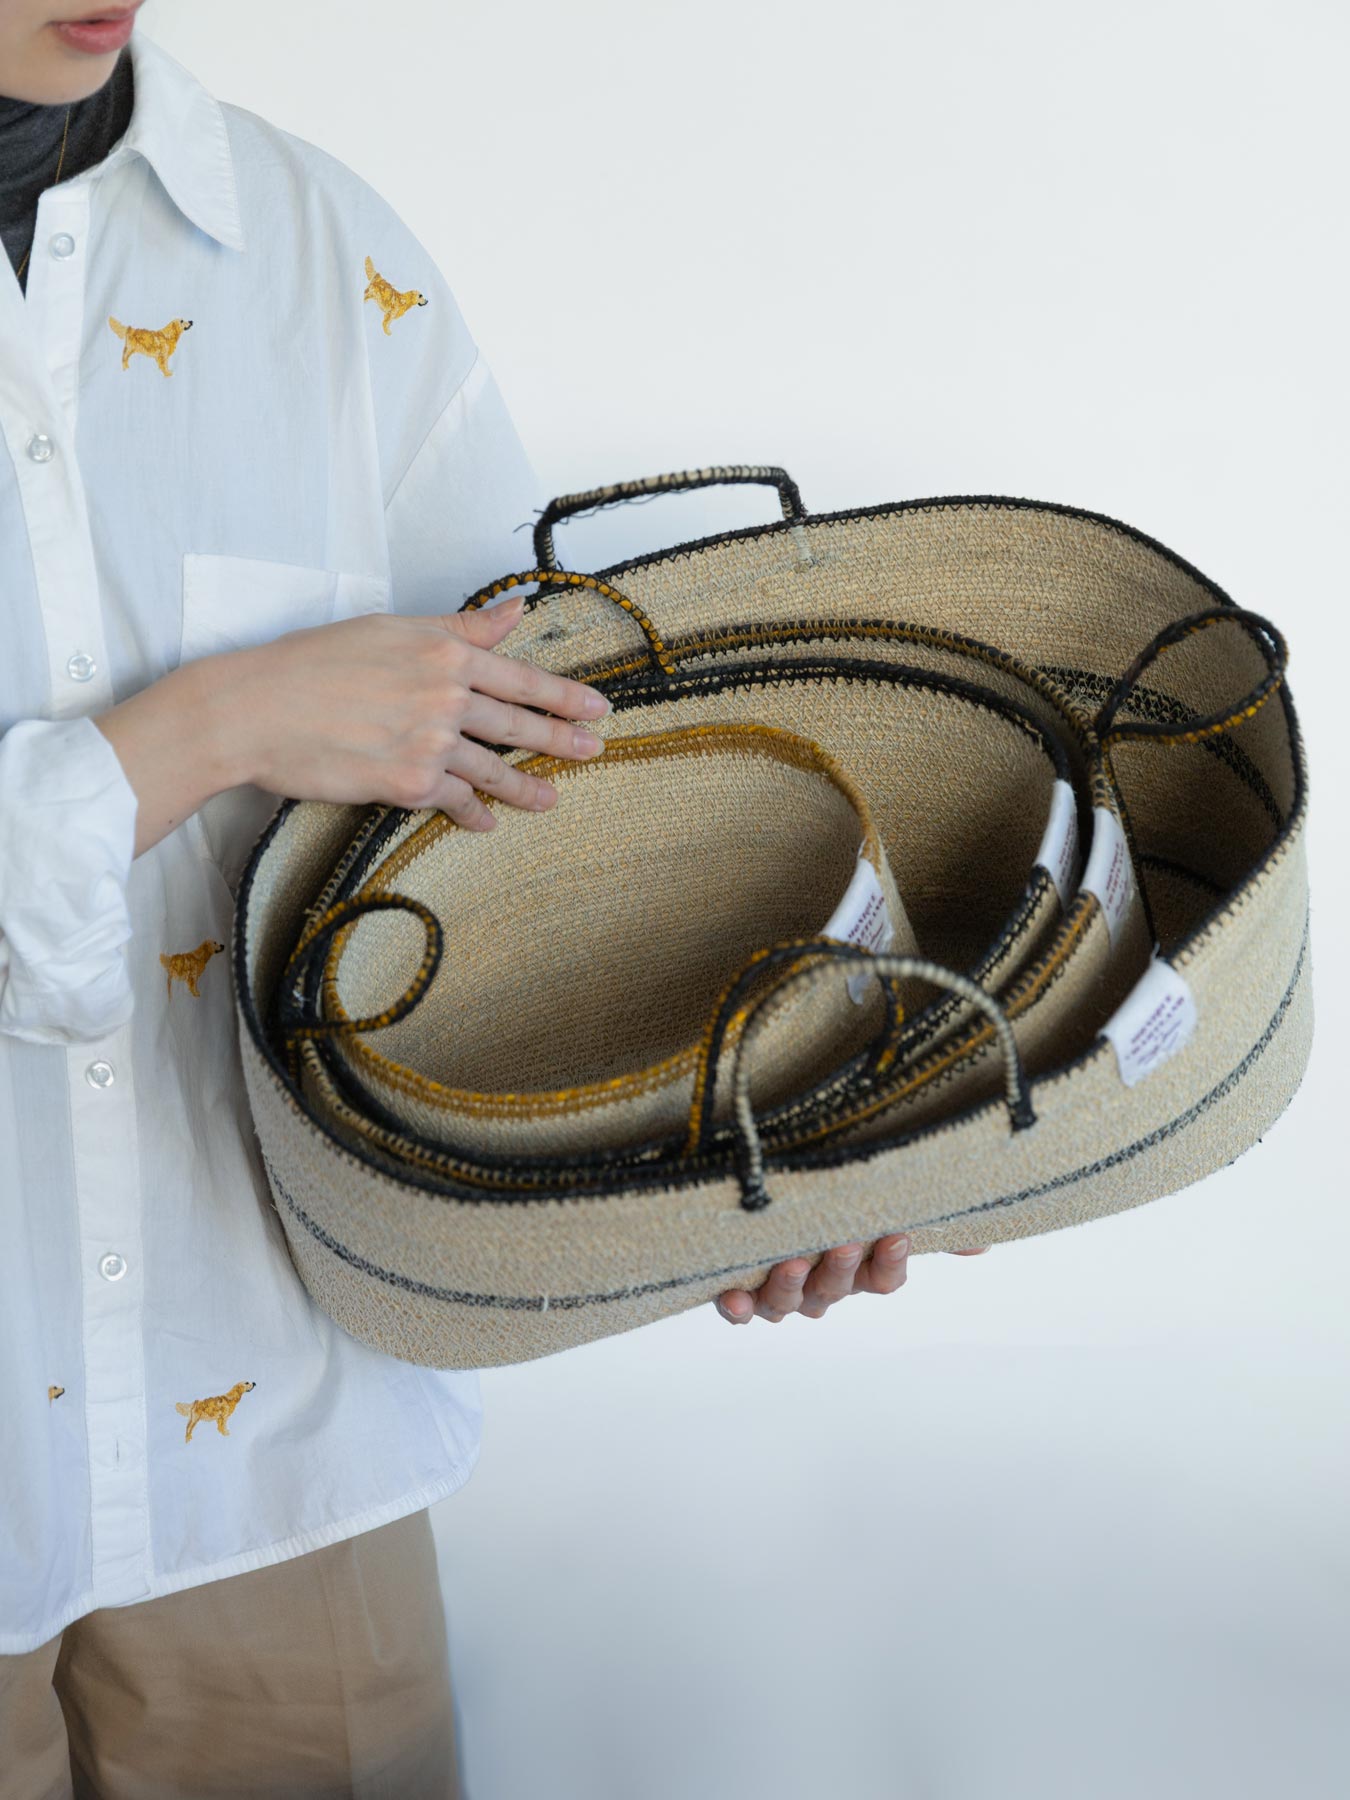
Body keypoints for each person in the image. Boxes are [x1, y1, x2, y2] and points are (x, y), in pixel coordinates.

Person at [0, 5, 987, 1793]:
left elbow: (537, 801)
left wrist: (748, 1144)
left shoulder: (313, 249)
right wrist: (203, 730)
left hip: (282, 1446)